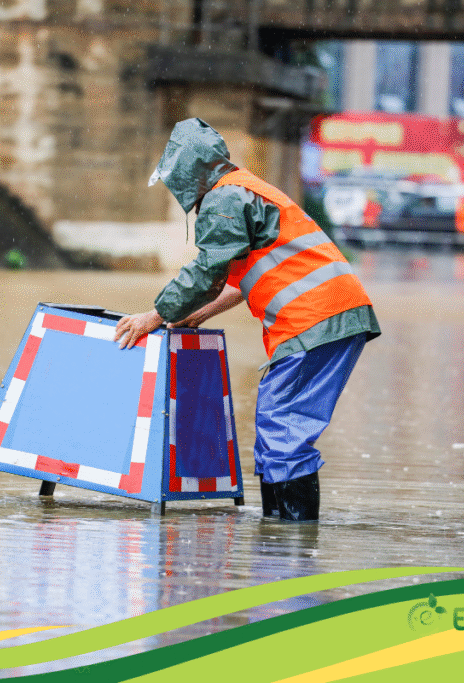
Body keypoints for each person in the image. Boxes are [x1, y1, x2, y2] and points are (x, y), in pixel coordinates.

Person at [114, 118, 381, 521]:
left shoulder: (224, 197)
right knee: (277, 423)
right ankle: (278, 535)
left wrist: (155, 315)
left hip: (314, 319)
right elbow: (239, 281)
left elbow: (207, 271)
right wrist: (196, 314)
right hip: (330, 316)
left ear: (189, 170)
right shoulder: (247, 190)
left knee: (283, 426)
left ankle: (293, 542)